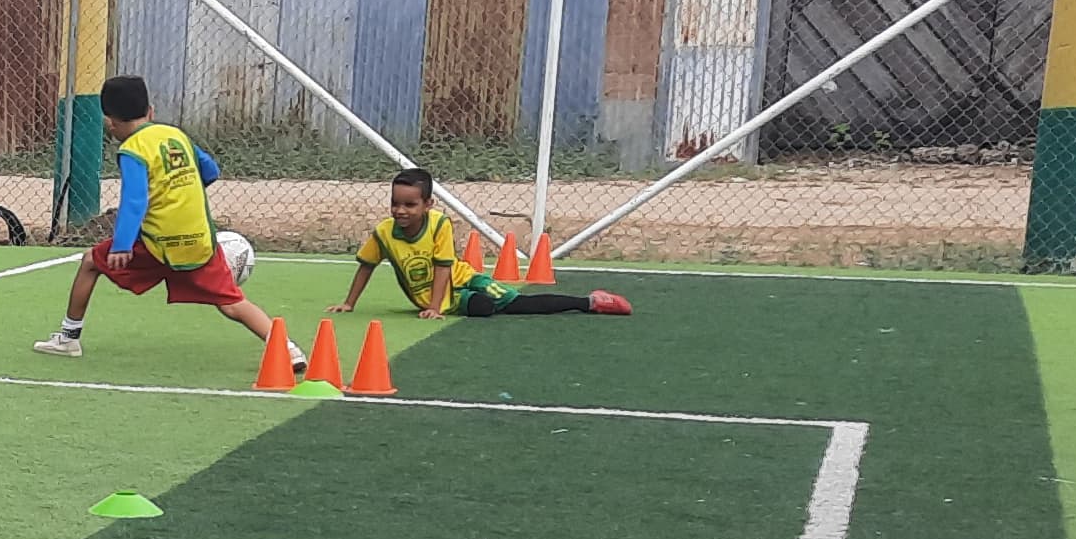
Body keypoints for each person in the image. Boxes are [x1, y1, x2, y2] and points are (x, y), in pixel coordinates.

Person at [34, 75, 301, 366]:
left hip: (157, 243)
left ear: (110, 123)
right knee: (232, 303)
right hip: (199, 240)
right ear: (151, 111)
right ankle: (287, 349)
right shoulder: (176, 135)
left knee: (90, 262)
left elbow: (135, 201)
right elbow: (210, 170)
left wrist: (122, 245)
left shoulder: (133, 149)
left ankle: (68, 338)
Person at [334, 166, 634, 319]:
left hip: (464, 279)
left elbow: (443, 267)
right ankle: (475, 301)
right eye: (395, 203)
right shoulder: (384, 232)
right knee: (483, 307)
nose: (400, 211)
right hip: (448, 299)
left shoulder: (439, 223)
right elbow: (366, 266)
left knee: (517, 304)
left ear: (428, 204)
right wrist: (349, 303)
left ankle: (590, 302)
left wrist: (435, 308)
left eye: (410, 205)